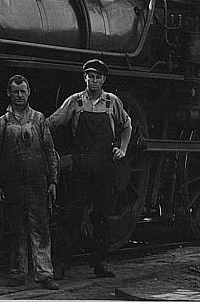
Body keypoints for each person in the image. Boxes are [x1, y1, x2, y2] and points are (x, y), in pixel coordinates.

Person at [47, 59, 132, 280]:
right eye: (90, 76)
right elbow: (53, 122)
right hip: (81, 168)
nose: (93, 80)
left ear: (104, 79)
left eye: (97, 77)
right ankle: (60, 264)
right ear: (84, 77)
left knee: (102, 216)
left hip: (104, 168)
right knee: (72, 214)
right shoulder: (74, 102)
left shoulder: (112, 102)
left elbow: (127, 125)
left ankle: (100, 263)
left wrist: (122, 148)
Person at [0, 75, 60, 290]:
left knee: (41, 229)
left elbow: (50, 150)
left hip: (37, 183)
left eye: (23, 91)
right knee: (17, 229)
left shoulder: (39, 119)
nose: (19, 96)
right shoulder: (2, 122)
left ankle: (45, 275)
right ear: (8, 93)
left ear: (29, 93)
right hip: (13, 185)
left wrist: (53, 181)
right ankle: (18, 273)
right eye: (15, 91)